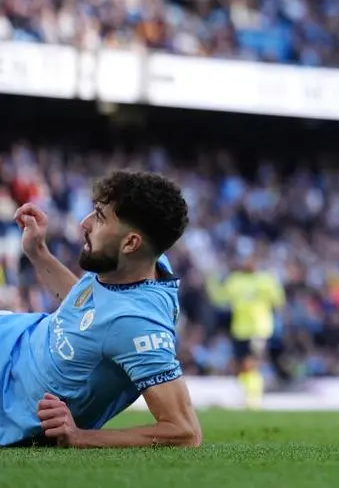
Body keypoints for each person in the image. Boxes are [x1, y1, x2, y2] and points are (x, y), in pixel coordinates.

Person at [0, 171, 201, 448]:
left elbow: (185, 431)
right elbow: (83, 308)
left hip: (7, 402)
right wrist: (38, 252)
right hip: (11, 336)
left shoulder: (136, 323)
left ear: (131, 243)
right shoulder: (134, 264)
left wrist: (81, 437)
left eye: (100, 217)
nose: (84, 223)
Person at [209, 250, 285, 409]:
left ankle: (254, 399)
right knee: (239, 367)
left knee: (250, 363)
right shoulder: (235, 280)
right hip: (239, 330)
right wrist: (212, 281)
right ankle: (250, 394)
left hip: (259, 329)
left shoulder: (266, 280)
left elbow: (278, 302)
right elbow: (220, 299)